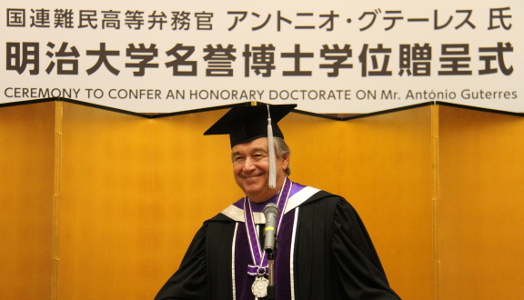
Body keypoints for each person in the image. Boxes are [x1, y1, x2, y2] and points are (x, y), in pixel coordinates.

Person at [155, 103, 401, 300]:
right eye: (238, 158)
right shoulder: (218, 230)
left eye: (258, 155)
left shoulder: (329, 215)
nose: (247, 166)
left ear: (284, 160)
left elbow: (368, 292)